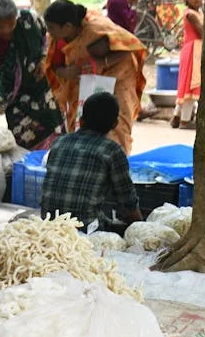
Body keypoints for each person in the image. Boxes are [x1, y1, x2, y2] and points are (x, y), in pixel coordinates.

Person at [44, 0, 147, 155]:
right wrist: (66, 72)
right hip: (83, 80)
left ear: (67, 26)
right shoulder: (56, 37)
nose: (48, 32)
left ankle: (117, 158)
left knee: (115, 122)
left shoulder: (97, 30)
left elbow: (130, 47)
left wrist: (101, 62)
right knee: (80, 119)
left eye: (51, 28)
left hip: (118, 77)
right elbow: (55, 67)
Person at [41, 92, 142, 232]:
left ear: (81, 121)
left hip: (47, 224)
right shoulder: (112, 150)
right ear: (115, 124)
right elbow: (128, 203)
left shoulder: (59, 142)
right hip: (85, 229)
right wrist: (141, 228)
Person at [0, 0, 64, 150]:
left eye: (10, 24)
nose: (6, 30)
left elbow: (47, 36)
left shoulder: (29, 20)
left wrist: (43, 60)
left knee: (53, 130)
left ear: (16, 17)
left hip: (40, 88)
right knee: (24, 139)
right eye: (0, 27)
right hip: (15, 97)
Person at [170, 0, 204, 129]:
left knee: (187, 83)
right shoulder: (191, 14)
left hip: (195, 50)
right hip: (192, 51)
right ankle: (184, 121)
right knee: (191, 84)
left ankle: (177, 117)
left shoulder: (199, 12)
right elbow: (202, 32)